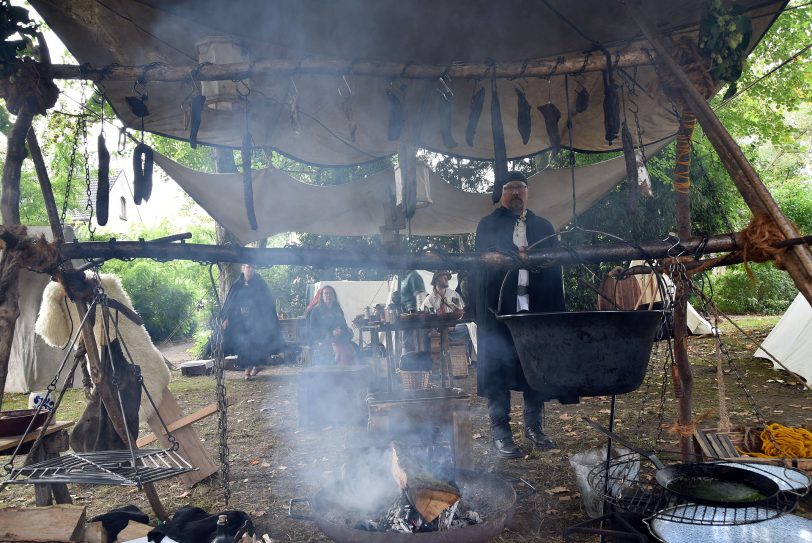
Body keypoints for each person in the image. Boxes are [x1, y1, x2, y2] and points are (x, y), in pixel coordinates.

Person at [474, 171, 566, 458]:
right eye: (509, 188)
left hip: (536, 311)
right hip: (499, 312)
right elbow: (478, 266)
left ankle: (534, 429)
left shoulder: (543, 225)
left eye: (520, 188)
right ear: (501, 194)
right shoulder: (487, 225)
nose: (515, 192)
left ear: (527, 193)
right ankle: (501, 432)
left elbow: (555, 262)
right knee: (497, 372)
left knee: (535, 370)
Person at [220, 263, 284, 380]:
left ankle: (253, 367)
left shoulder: (260, 283)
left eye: (253, 267)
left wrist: (253, 310)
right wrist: (227, 318)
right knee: (244, 345)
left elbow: (267, 302)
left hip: (257, 321)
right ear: (243, 268)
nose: (250, 270)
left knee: (256, 344)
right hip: (241, 322)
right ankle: (248, 369)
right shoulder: (237, 285)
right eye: (248, 267)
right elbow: (231, 303)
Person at [305, 285, 357, 365]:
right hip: (322, 339)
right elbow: (313, 329)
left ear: (334, 296)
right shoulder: (317, 310)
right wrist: (330, 333)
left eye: (330, 293)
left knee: (354, 349)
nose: (328, 295)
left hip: (338, 338)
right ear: (322, 296)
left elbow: (343, 324)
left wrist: (346, 330)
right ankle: (340, 372)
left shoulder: (337, 309)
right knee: (341, 352)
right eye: (326, 293)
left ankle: (354, 374)